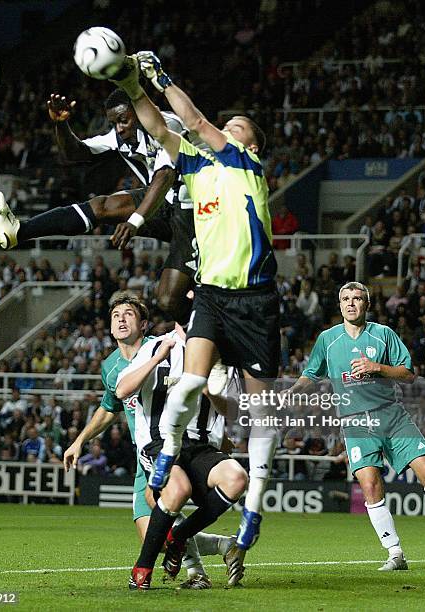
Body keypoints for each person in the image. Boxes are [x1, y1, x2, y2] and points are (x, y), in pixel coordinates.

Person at [111, 51, 280, 575]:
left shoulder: (245, 164)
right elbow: (161, 127)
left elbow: (197, 120)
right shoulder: (196, 166)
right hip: (210, 295)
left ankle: (251, 516)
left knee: (262, 416)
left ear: (250, 143)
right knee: (187, 382)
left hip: (256, 300)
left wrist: (158, 77)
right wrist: (133, 88)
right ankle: (168, 454)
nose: (227, 127)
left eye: (238, 126)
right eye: (227, 124)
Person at [283, 281, 425, 570]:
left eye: (357, 298)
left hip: (392, 416)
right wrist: (293, 391)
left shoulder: (383, 334)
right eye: (345, 298)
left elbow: (409, 374)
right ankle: (395, 552)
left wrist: (378, 368)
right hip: (356, 422)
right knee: (371, 485)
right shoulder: (328, 339)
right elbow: (311, 373)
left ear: (366, 305)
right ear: (339, 304)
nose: (351, 303)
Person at [62, 292, 232, 589]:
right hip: (146, 454)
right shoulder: (111, 366)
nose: (121, 320)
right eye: (116, 316)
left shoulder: (168, 348)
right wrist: (80, 441)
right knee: (156, 537)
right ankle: (223, 546)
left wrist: (222, 443)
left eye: (128, 314)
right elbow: (108, 408)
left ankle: (196, 574)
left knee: (166, 519)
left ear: (144, 325)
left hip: (175, 448)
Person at [0, 90, 198, 324]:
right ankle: (18, 231)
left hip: (195, 214)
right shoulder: (120, 136)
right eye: (114, 123)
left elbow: (165, 176)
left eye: (123, 120)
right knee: (101, 206)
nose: (119, 128)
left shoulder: (168, 125)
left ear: (139, 113)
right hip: (165, 201)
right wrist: (61, 125)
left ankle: (210, 335)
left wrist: (135, 220)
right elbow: (75, 153)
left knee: (168, 301)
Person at [115, 323, 247, 589]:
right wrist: (156, 359)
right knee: (178, 489)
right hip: (159, 442)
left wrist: (212, 392)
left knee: (237, 479)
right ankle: (141, 571)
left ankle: (179, 536)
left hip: (201, 446)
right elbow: (121, 390)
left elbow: (233, 410)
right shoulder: (158, 346)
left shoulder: (223, 354)